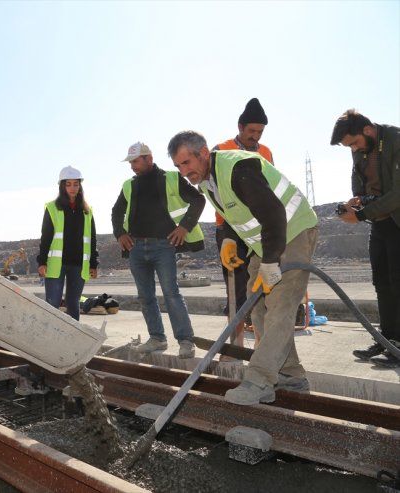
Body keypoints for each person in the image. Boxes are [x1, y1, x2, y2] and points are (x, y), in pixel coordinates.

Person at [168, 131, 318, 405]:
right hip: (266, 242)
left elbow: (274, 214)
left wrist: (271, 262)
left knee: (281, 306)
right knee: (257, 304)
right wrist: (229, 238)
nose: (184, 171)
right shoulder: (207, 180)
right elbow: (238, 214)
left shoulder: (238, 168)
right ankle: (291, 375)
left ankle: (259, 380)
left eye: (187, 163)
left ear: (203, 153)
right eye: (178, 166)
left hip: (293, 232)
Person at [111, 142, 205, 359]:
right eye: (131, 162)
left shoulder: (171, 178)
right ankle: (157, 338)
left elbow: (198, 200)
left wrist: (184, 227)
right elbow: (116, 212)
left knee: (171, 293)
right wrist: (120, 234)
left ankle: (185, 340)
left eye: (136, 161)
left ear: (149, 159)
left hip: (164, 246)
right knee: (145, 297)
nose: (132, 166)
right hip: (136, 247)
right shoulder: (129, 185)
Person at [331, 109, 400, 368]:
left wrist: (360, 217)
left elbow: (397, 193)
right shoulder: (359, 149)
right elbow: (358, 181)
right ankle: (387, 340)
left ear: (368, 130)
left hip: (397, 221)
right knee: (382, 283)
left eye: (354, 143)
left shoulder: (396, 140)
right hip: (380, 223)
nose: (353, 149)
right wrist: (357, 202)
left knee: (398, 282)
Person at [212, 97, 275, 353]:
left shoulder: (266, 152)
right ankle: (235, 346)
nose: (255, 137)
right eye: (251, 131)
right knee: (235, 293)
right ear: (240, 127)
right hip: (230, 230)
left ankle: (261, 347)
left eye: (260, 132)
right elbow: (217, 191)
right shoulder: (222, 149)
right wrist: (227, 231)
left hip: (259, 230)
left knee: (264, 289)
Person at [37, 166, 99, 321]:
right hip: (56, 265)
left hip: (79, 265)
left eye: (76, 184)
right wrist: (42, 262)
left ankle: (72, 341)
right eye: (68, 184)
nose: (72, 188)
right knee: (53, 305)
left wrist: (93, 264)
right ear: (62, 186)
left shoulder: (87, 210)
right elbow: (46, 237)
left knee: (73, 304)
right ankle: (50, 339)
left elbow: (92, 238)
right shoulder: (52, 208)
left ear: (80, 186)